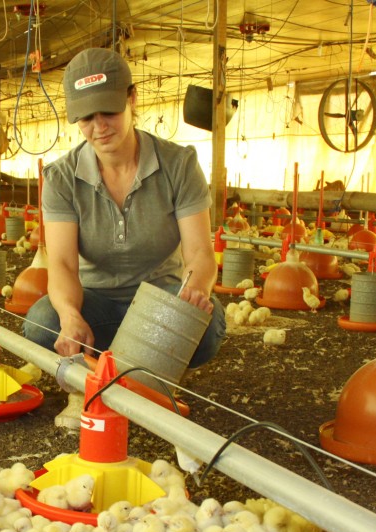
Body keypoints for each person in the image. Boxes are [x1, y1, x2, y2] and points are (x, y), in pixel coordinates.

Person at [23, 47, 226, 373]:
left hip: (160, 299)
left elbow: (201, 252)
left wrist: (193, 291)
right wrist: (71, 316)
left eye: (109, 111)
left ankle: (132, 362)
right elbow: (61, 263)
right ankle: (136, 361)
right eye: (87, 117)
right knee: (42, 323)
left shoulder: (179, 164)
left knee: (207, 324)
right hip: (96, 302)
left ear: (132, 98)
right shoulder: (61, 177)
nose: (99, 126)